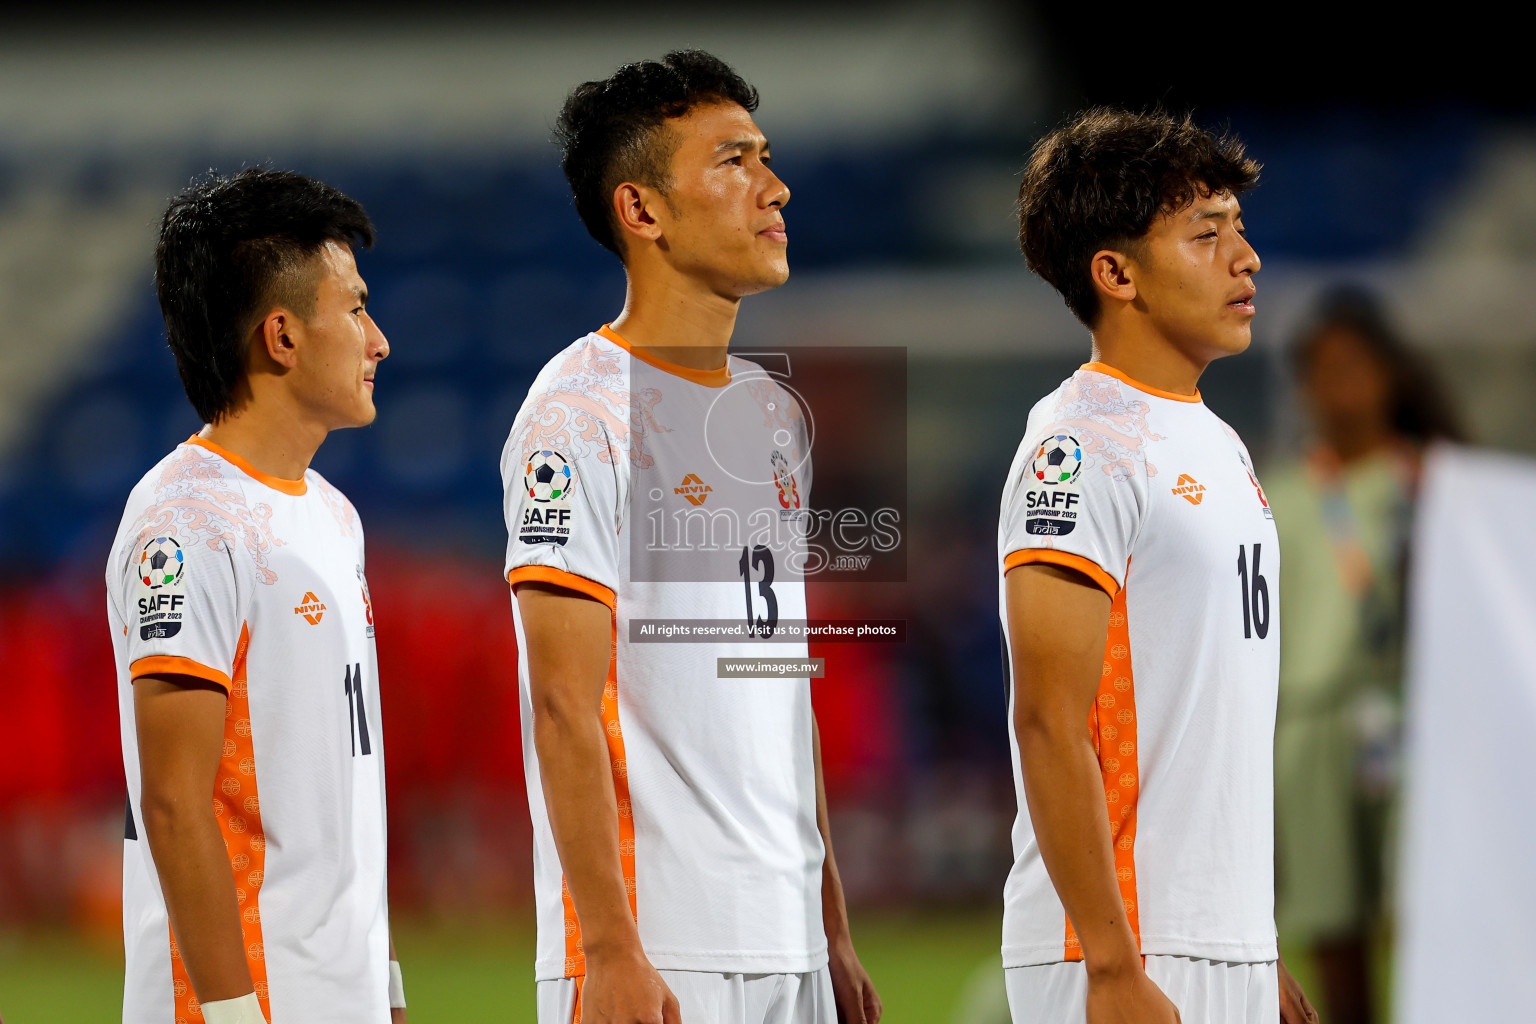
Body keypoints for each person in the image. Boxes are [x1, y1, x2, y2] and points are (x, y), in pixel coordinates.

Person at [501, 51, 880, 1024]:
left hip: (790, 943)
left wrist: (829, 927)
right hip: (662, 954)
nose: (774, 186)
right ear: (644, 210)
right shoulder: (575, 415)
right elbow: (561, 704)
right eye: (734, 161)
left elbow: (779, 687)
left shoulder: (770, 417)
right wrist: (609, 949)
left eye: (766, 157)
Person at [997, 108, 1317, 1024]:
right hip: (1122, 945)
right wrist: (1110, 964)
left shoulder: (1218, 442)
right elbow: (1048, 722)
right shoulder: (1078, 444)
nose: (1245, 257)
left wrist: (1253, 947)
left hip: (1220, 940)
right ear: (1116, 272)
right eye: (1206, 234)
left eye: (1240, 230)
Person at [106, 169, 404, 1024]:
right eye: (354, 309)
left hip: (337, 996)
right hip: (245, 1004)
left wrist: (380, 985)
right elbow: (174, 799)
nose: (378, 340)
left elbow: (339, 792)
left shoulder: (332, 517)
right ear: (281, 336)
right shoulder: (185, 520)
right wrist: (235, 1015)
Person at [1267, 287, 1462, 1024]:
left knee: (1427, 910)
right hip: (1308, 723)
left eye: (1353, 366)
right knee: (1331, 919)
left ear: (1391, 375)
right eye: (1320, 371)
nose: (1337, 387)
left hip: (1412, 716)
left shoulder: (1435, 480)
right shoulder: (1276, 492)